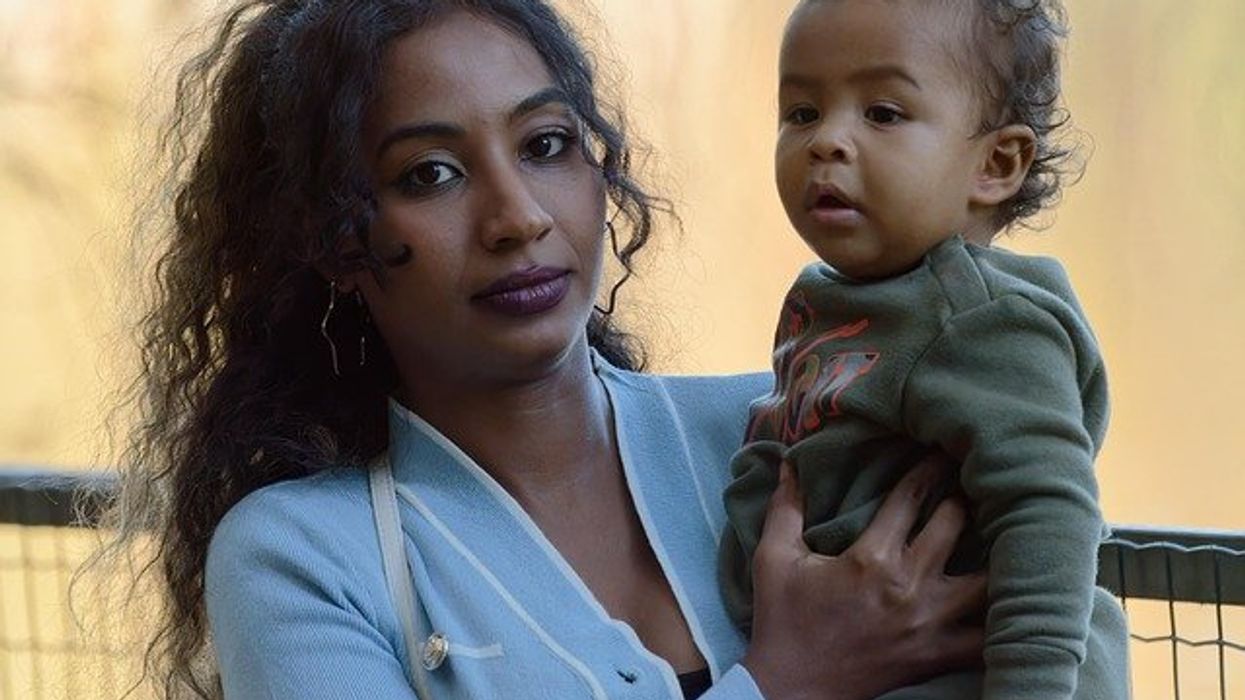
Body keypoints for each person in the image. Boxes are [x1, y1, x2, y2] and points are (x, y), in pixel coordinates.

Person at [96, 1, 1005, 698]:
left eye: (546, 144)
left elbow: (1057, 624)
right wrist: (785, 683)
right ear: (338, 242)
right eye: (431, 174)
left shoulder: (795, 425)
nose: (517, 217)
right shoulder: (303, 558)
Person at [717, 0, 1130, 698]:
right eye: (801, 113)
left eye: (881, 113)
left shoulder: (977, 319)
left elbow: (1048, 509)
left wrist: (1030, 687)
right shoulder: (840, 299)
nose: (827, 141)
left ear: (995, 163)